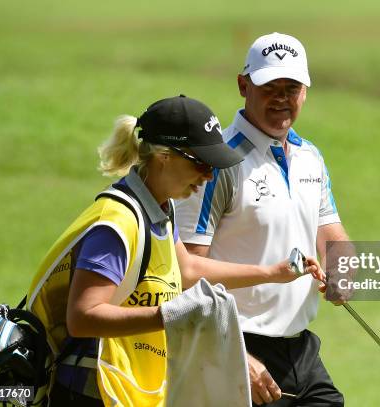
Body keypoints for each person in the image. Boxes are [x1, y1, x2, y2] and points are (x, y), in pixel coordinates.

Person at [25, 95, 324, 406]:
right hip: (90, 392)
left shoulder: (160, 211)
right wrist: (167, 316)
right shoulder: (116, 224)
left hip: (128, 389)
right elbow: (84, 317)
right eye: (200, 163)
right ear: (165, 156)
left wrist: (271, 274)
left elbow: (188, 270)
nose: (208, 176)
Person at [175, 33, 349, 406]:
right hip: (237, 346)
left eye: (292, 87)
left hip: (300, 350)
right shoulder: (219, 164)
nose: (281, 98)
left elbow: (332, 234)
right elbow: (185, 273)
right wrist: (235, 355)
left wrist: (342, 271)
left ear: (305, 91)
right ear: (243, 85)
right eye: (269, 86)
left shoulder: (310, 158)